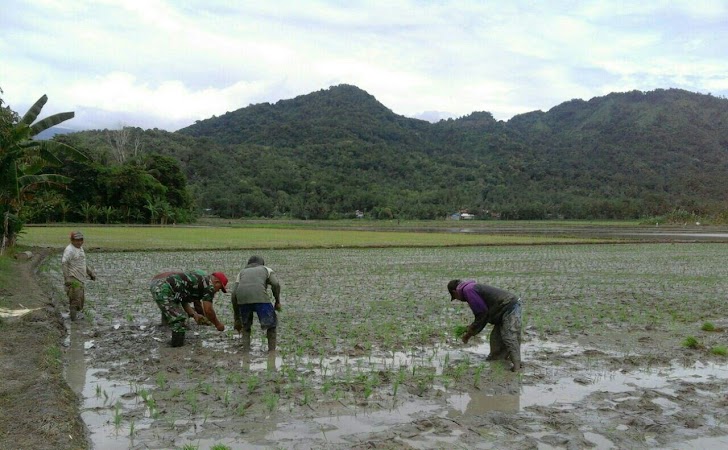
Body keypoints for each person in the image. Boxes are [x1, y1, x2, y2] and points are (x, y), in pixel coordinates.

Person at [448, 279, 522, 371]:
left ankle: (517, 367)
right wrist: (471, 329)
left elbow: (482, 315)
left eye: (455, 297)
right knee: (496, 340)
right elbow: (483, 315)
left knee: (509, 336)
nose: (459, 300)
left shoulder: (468, 290)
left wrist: (469, 334)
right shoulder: (471, 288)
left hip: (509, 306)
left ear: (455, 292)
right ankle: (498, 362)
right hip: (501, 311)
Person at [150, 270, 227, 347]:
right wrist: (218, 324)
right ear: (217, 282)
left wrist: (195, 315)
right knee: (179, 318)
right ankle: (176, 347)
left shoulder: (200, 280)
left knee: (173, 308)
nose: (217, 291)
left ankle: (165, 328)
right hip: (163, 287)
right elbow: (208, 310)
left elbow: (183, 300)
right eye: (219, 288)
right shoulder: (209, 286)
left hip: (158, 284)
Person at [231, 255, 281, 352]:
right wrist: (277, 301)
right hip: (261, 299)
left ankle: (246, 351)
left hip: (243, 299)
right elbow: (275, 284)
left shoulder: (242, 272)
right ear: (261, 263)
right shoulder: (266, 269)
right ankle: (271, 352)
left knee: (245, 327)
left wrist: (237, 318)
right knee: (271, 326)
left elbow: (233, 295)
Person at [61, 231, 96, 320]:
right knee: (75, 300)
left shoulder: (80, 248)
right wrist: (67, 279)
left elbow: (82, 263)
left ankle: (73, 317)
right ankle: (73, 323)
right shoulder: (70, 250)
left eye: (81, 240)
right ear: (72, 240)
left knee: (80, 300)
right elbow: (64, 263)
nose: (79, 242)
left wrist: (90, 273)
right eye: (77, 240)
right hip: (73, 278)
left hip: (80, 278)